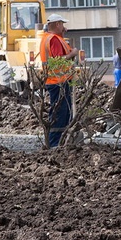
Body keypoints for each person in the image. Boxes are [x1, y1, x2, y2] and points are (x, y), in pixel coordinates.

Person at [39, 13, 78, 148]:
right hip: (58, 81)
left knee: (59, 112)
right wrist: (72, 54)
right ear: (57, 24)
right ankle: (55, 143)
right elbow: (58, 59)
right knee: (60, 114)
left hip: (55, 80)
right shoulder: (54, 39)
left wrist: (61, 35)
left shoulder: (49, 38)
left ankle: (56, 142)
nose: (64, 27)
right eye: (62, 24)